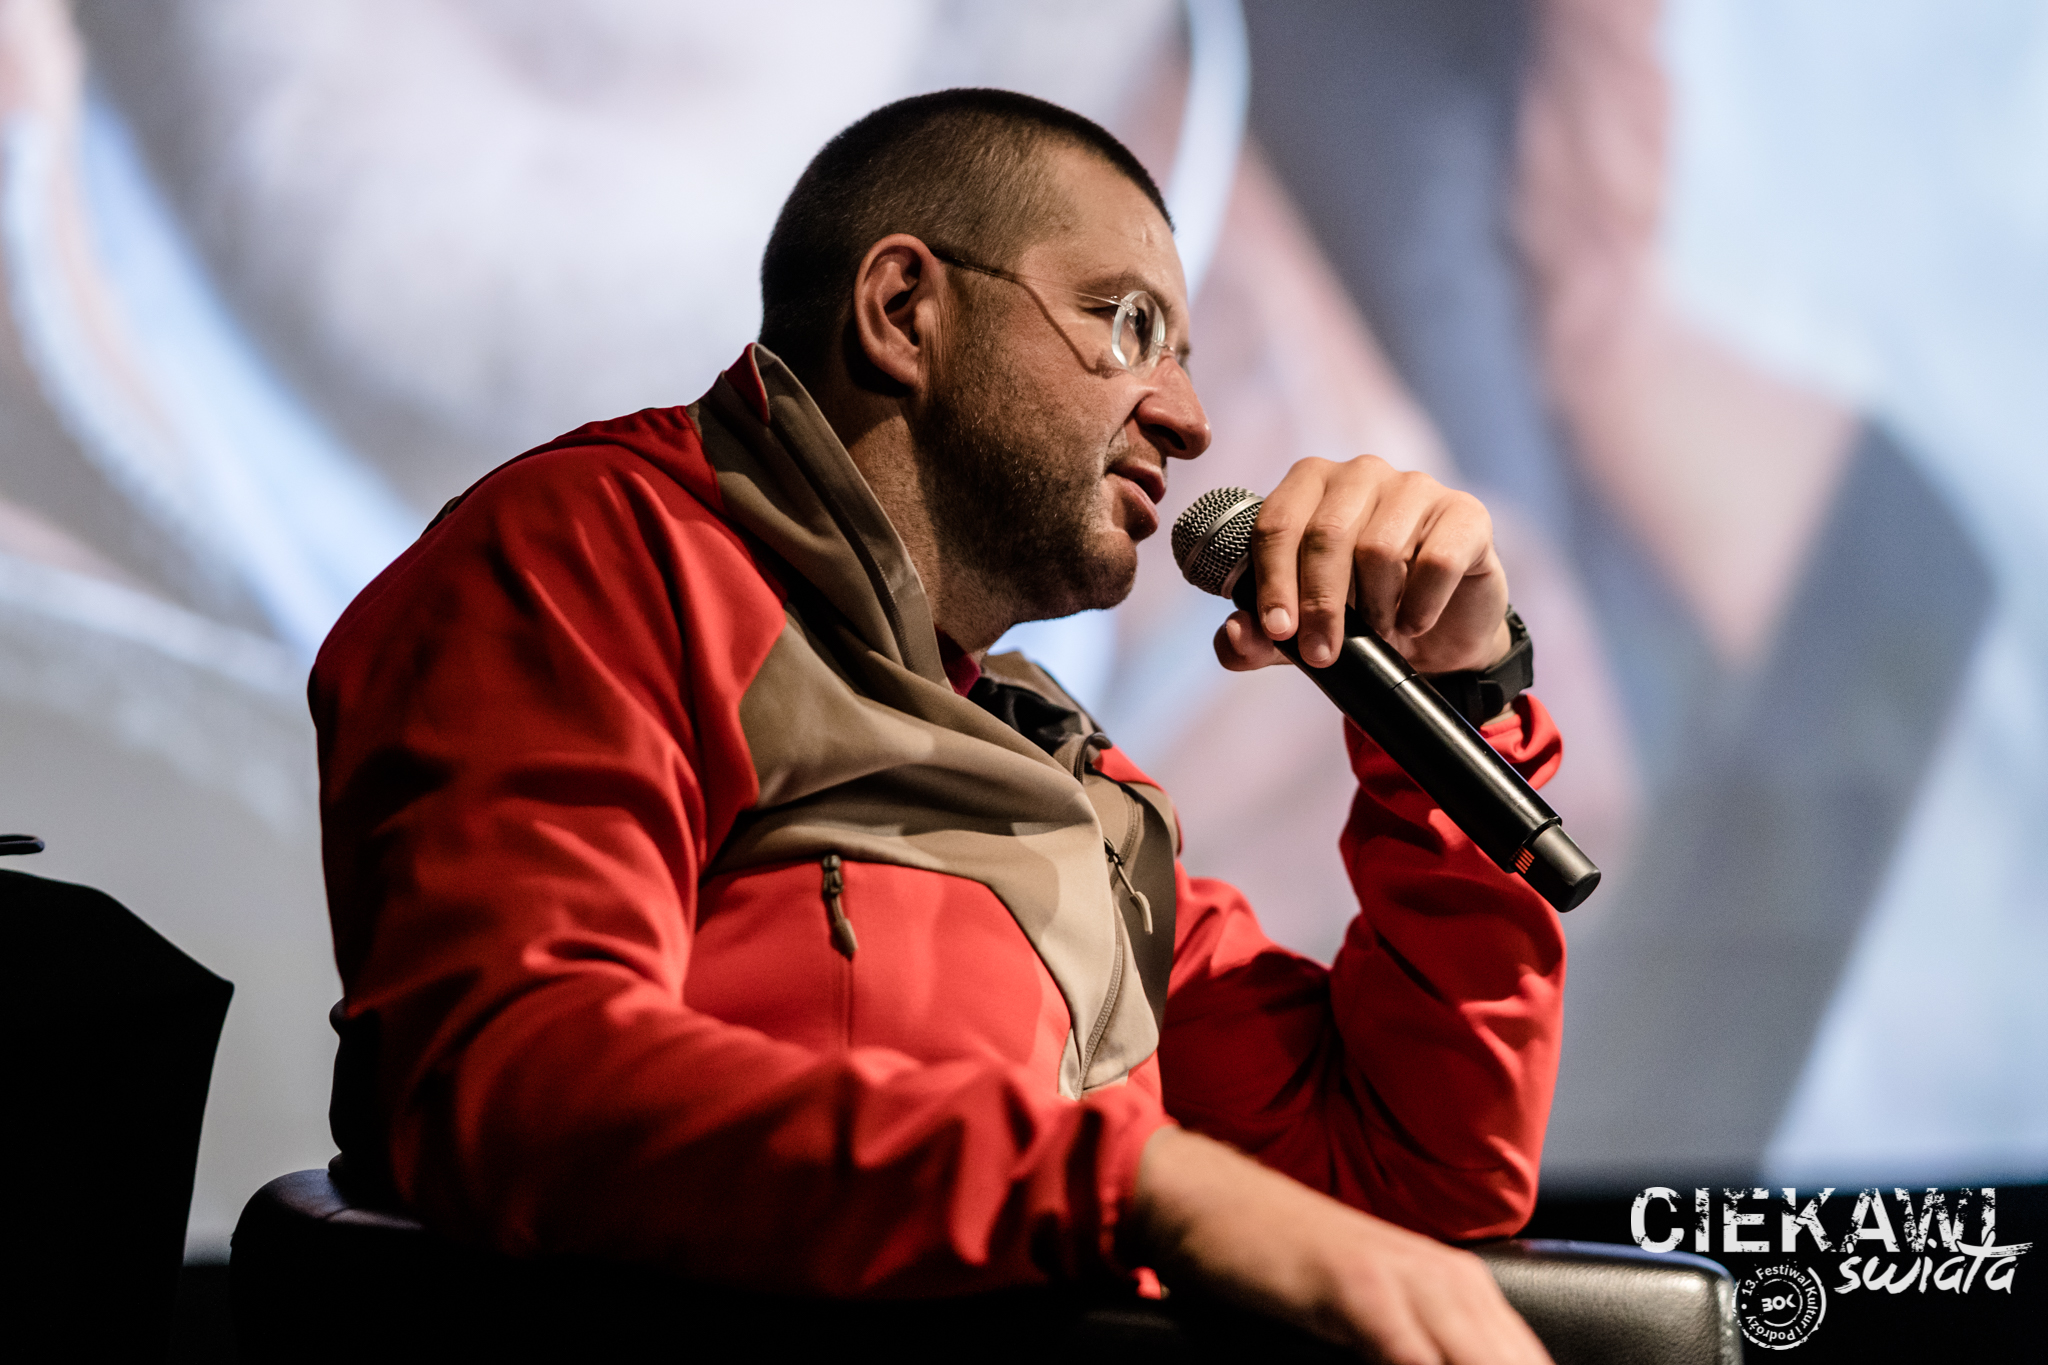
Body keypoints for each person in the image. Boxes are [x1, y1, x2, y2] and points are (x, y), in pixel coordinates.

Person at [311, 89, 1563, 1364]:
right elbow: (517, 1081)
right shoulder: (601, 554)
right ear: (904, 309)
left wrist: (1453, 703)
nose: (1188, 422)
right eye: (1129, 326)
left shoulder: (1061, 769)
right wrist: (1134, 1185)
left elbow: (1414, 1176)